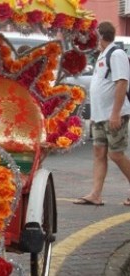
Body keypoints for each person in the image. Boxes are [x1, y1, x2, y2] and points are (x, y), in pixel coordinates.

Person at [74, 21, 130, 206]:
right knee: (99, 152)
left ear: (101, 36)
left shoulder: (117, 54)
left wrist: (115, 113)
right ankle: (95, 194)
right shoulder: (102, 56)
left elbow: (122, 83)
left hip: (114, 114)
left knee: (116, 154)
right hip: (100, 115)